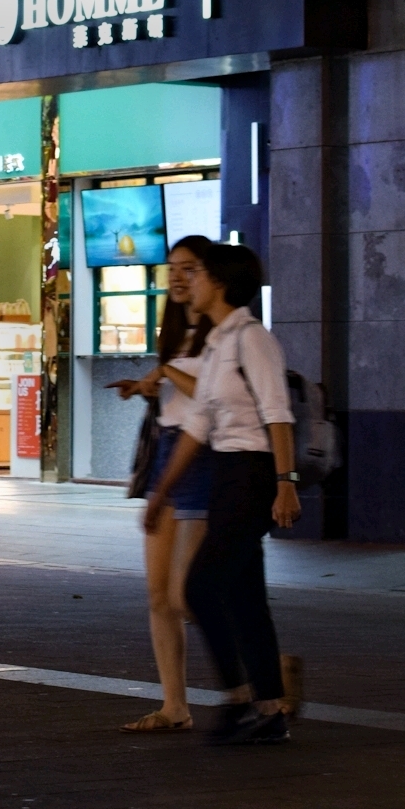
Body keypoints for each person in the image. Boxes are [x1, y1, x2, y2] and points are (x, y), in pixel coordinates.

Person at [146, 240, 299, 746]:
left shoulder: (251, 338)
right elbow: (197, 423)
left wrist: (285, 483)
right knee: (244, 594)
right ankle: (270, 707)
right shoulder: (216, 344)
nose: (192, 282)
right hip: (228, 472)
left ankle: (238, 698)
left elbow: (277, 413)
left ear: (223, 282)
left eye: (201, 273)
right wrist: (161, 491)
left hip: (254, 473)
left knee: (200, 587)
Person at [112, 250, 214, 733]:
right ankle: (175, 704)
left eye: (188, 270)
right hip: (167, 452)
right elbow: (177, 393)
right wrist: (146, 386)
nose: (177, 279)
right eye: (171, 271)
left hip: (201, 459)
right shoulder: (175, 334)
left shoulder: (225, 333)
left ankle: (259, 673)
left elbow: (210, 397)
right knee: (158, 595)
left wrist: (166, 374)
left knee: (187, 596)